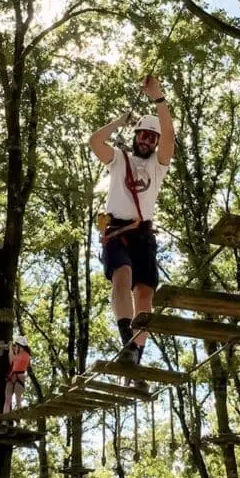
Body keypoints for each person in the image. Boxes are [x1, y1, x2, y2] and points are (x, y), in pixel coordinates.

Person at [88, 76, 175, 370]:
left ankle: (137, 350)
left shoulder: (157, 165)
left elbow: (170, 135)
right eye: (143, 135)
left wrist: (158, 97)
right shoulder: (118, 159)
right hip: (117, 231)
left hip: (143, 234)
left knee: (145, 293)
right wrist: (119, 121)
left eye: (152, 137)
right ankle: (127, 338)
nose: (147, 141)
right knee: (122, 275)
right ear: (136, 136)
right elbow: (95, 142)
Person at [3, 335, 31, 413]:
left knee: (18, 399)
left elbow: (12, 360)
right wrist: (11, 349)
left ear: (20, 346)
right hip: (12, 377)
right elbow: (11, 361)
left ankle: (18, 417)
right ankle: (5, 418)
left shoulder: (26, 355)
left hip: (19, 377)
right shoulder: (18, 354)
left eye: (17, 345)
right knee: (7, 400)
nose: (16, 347)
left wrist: (11, 349)